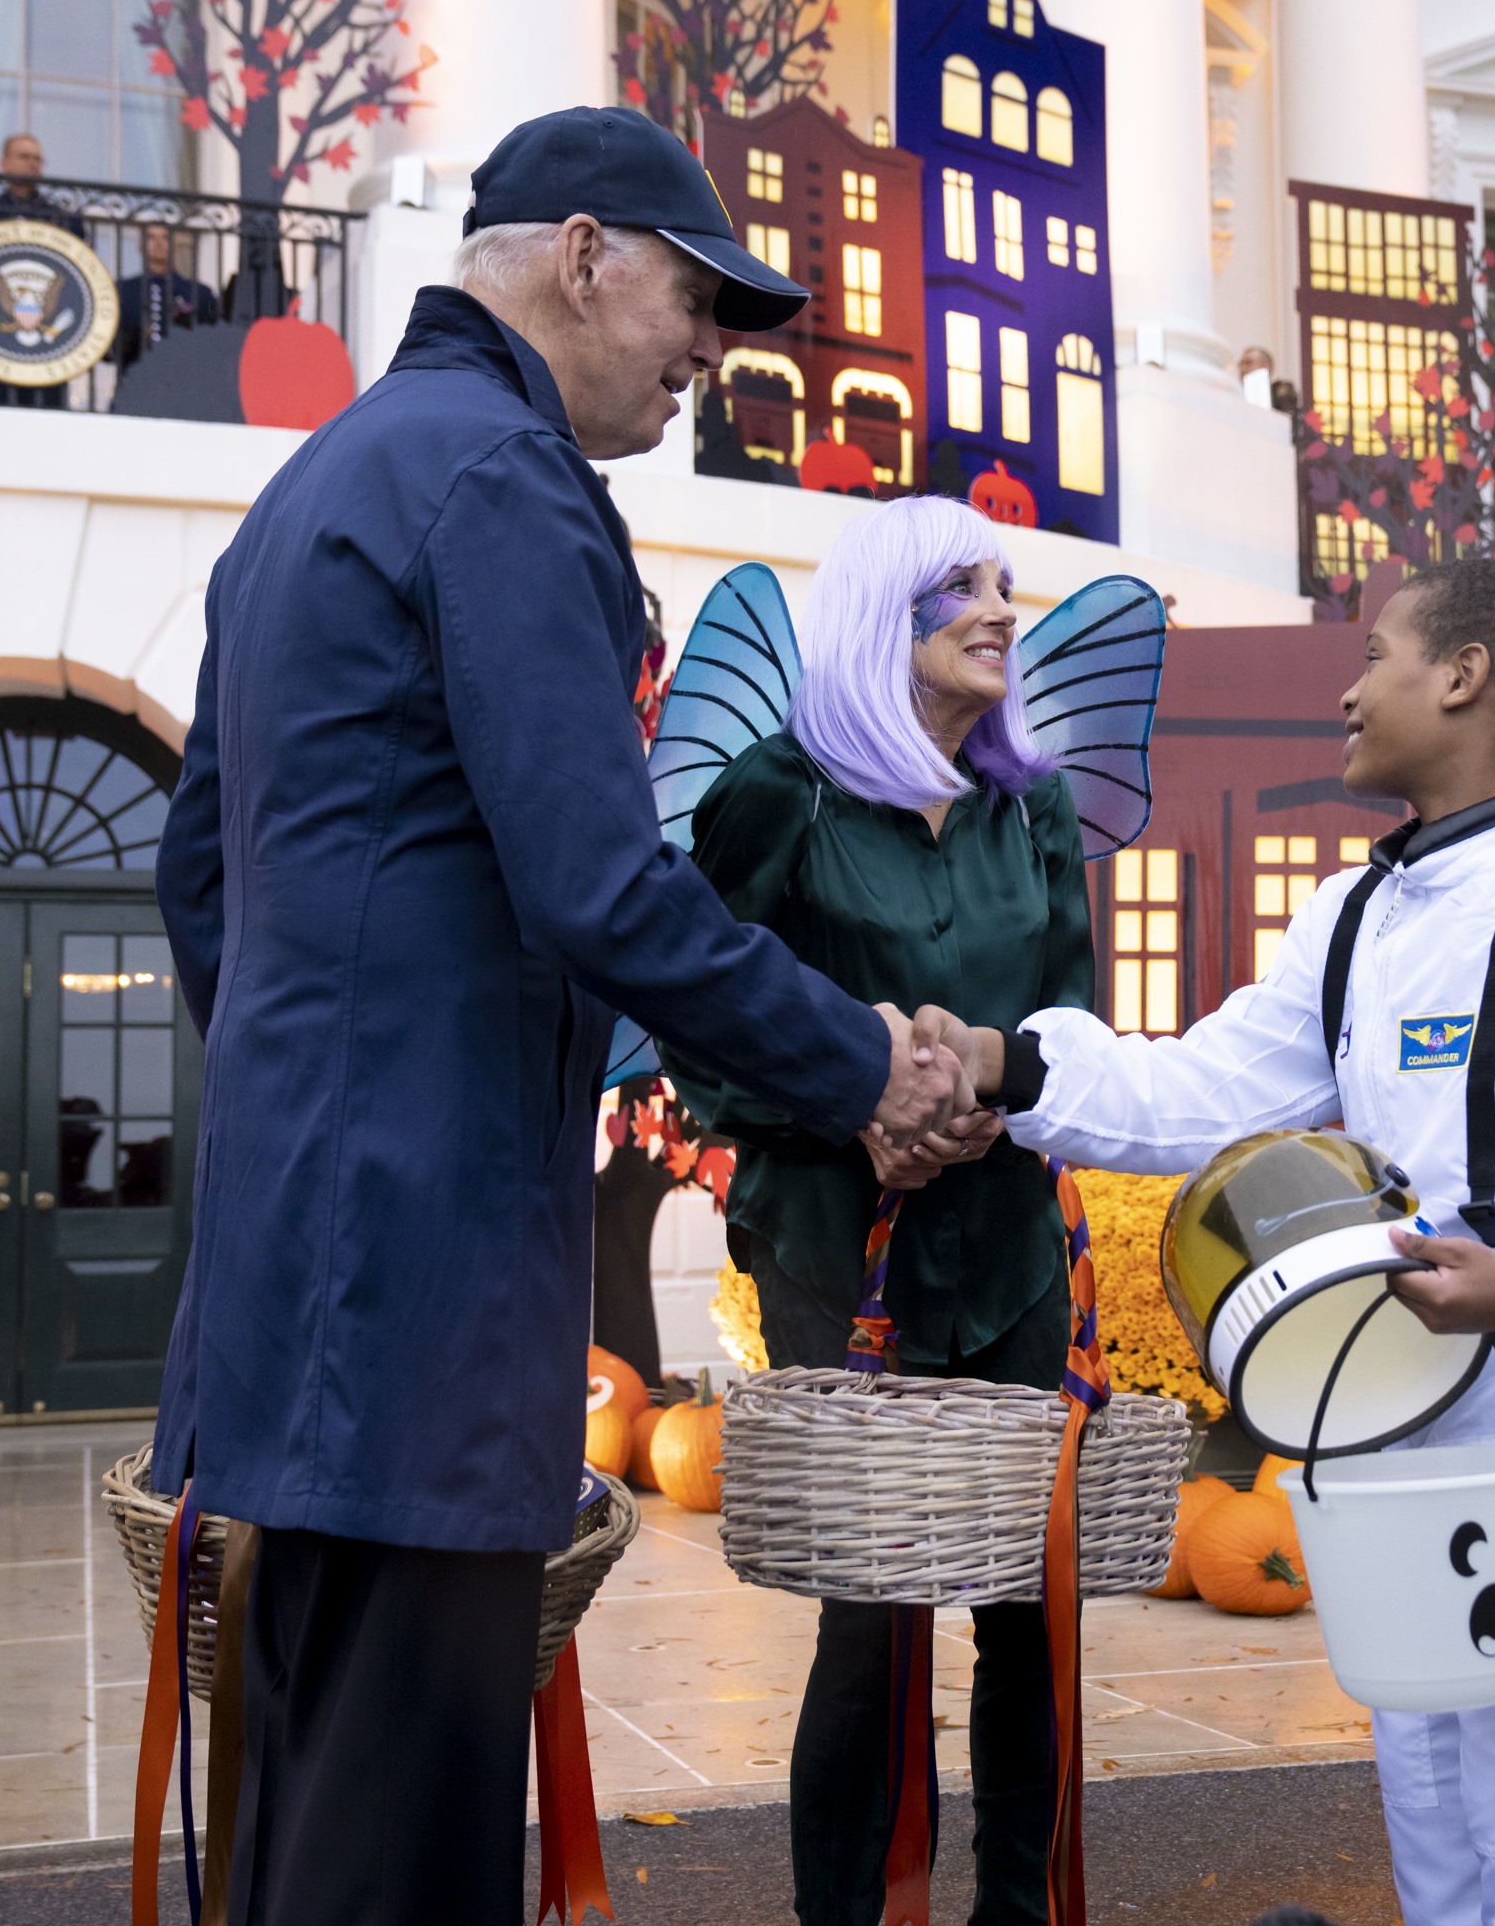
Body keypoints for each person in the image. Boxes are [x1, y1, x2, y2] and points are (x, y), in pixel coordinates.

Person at [150, 106, 976, 1926]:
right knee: (404, 1837)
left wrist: (329, 1094)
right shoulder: (506, 486)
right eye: (699, 300)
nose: (712, 356)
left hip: (297, 1264)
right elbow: (601, 891)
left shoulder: (315, 484)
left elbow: (198, 879)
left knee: (309, 1785)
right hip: (432, 1283)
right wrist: (865, 1067)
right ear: (584, 253)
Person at [932, 558, 1495, 1926]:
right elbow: (1208, 1087)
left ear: (1466, 677)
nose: (1348, 691)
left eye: (1378, 655)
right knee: (1423, 1783)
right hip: (1378, 1431)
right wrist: (1014, 1069)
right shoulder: (1361, 915)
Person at [658, 492, 1094, 1925]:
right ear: (878, 613)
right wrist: (853, 1108)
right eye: (958, 585)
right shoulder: (777, 793)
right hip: (839, 1254)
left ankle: (1014, 1911)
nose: (996, 608)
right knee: (877, 1609)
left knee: (1031, 1603)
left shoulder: (1034, 801)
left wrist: (999, 1100)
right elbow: (699, 1031)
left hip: (1014, 1246)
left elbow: (1070, 1019)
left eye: (1004, 584)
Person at [0, 134, 89, 408]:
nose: (33, 164)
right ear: (4, 163)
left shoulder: (61, 219)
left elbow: (77, 274)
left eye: (38, 159)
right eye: (24, 157)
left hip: (48, 338)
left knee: (49, 411)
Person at [109, 222, 221, 367]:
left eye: (165, 237)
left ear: (175, 248)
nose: (159, 243)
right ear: (140, 248)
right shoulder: (122, 290)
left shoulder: (200, 292)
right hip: (135, 377)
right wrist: (137, 336)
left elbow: (212, 342)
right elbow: (110, 343)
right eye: (151, 237)